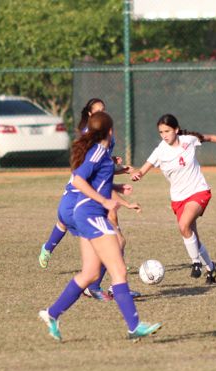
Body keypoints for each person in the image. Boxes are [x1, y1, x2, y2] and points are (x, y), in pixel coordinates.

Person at [38, 111, 161, 341]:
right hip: (91, 214)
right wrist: (104, 200)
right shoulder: (98, 152)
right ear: (110, 132)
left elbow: (98, 180)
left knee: (90, 273)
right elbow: (78, 179)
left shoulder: (101, 153)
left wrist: (117, 188)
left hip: (86, 214)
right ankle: (134, 326)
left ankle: (52, 314)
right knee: (119, 270)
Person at [38, 98, 140, 301]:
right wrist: (109, 199)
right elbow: (80, 179)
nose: (103, 113)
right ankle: (104, 287)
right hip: (80, 204)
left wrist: (116, 177)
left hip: (73, 203)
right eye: (98, 111)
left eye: (105, 110)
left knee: (95, 263)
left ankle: (57, 310)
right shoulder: (95, 144)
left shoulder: (100, 146)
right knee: (116, 242)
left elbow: (95, 176)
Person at [131, 114, 216, 284]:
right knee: (192, 237)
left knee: (183, 226)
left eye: (167, 131)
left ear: (176, 130)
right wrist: (137, 174)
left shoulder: (188, 140)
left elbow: (210, 137)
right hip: (178, 199)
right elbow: (144, 169)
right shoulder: (160, 151)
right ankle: (212, 268)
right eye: (161, 132)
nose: (164, 135)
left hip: (198, 191)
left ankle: (195, 263)